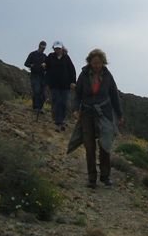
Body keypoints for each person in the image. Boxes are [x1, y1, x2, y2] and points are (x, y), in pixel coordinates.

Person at [67, 48, 123, 189]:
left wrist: (119, 114)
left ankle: (105, 176)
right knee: (89, 146)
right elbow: (78, 94)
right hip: (87, 113)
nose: (96, 65)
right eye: (94, 63)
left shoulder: (108, 76)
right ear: (90, 62)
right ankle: (92, 178)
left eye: (99, 63)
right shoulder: (84, 75)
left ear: (103, 62)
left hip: (104, 113)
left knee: (105, 145)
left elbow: (114, 96)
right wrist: (75, 109)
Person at [44, 41, 76, 132]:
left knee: (64, 103)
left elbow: (72, 70)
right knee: (56, 102)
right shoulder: (50, 56)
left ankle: (62, 120)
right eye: (56, 48)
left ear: (62, 48)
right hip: (54, 85)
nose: (57, 50)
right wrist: (44, 65)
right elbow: (46, 66)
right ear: (54, 48)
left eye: (59, 48)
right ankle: (58, 121)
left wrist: (73, 82)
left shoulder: (66, 58)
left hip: (65, 85)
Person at [24, 40, 47, 113]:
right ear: (39, 46)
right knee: (36, 91)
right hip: (34, 75)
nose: (43, 49)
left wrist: (45, 66)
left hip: (43, 76)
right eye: (42, 47)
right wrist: (31, 65)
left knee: (43, 93)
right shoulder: (32, 54)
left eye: (44, 48)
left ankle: (40, 108)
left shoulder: (45, 56)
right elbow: (26, 63)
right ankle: (36, 107)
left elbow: (48, 67)